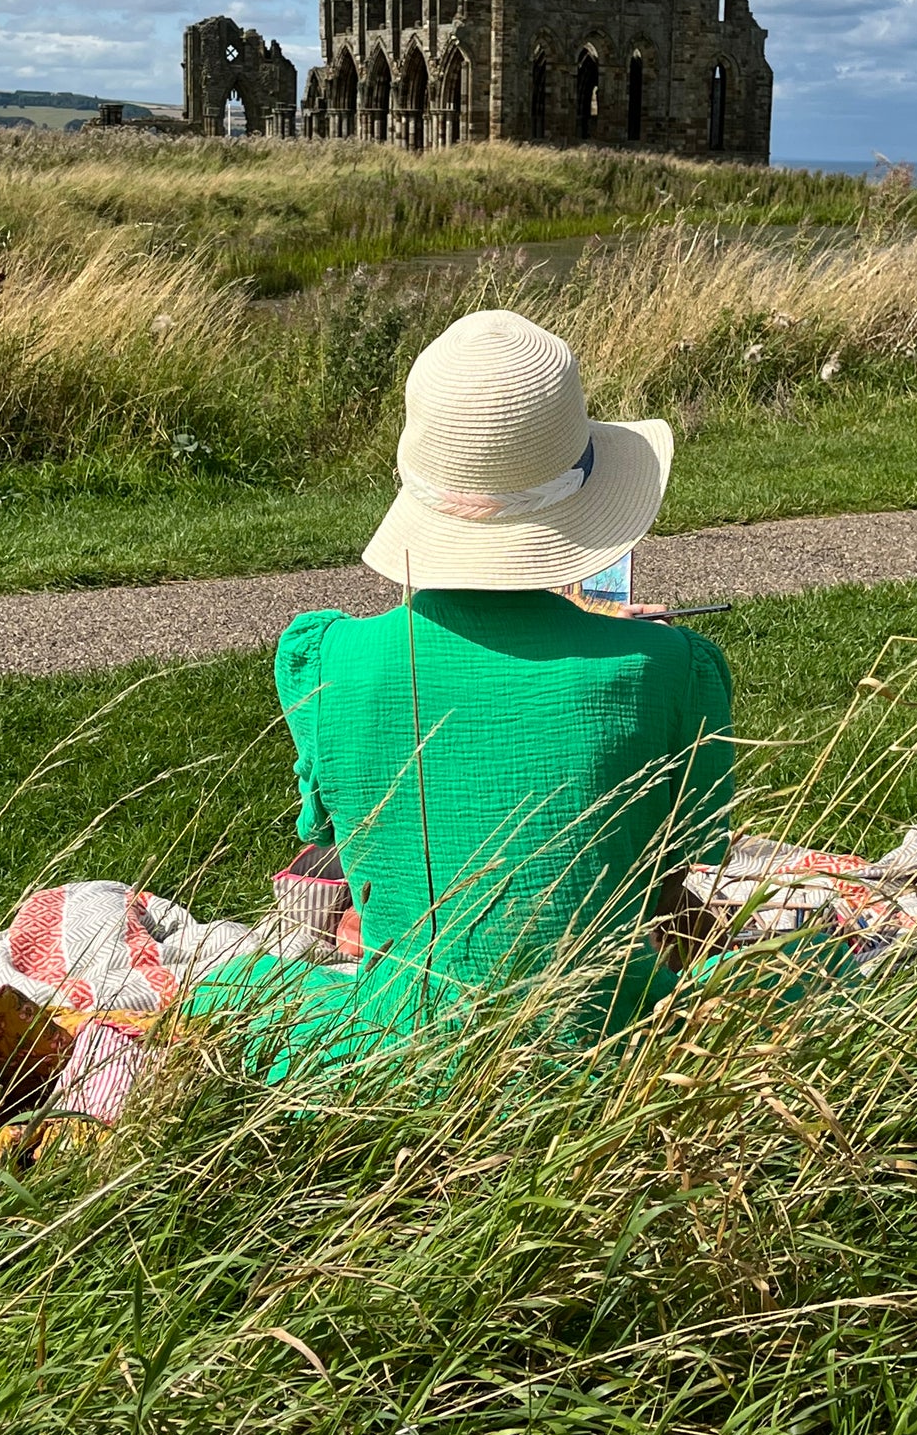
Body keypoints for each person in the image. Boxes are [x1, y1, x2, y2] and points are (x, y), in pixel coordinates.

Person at [192, 309, 734, 1077]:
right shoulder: (668, 667)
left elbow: (327, 839)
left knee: (225, 992)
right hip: (604, 1049)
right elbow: (682, 863)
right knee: (801, 967)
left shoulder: (328, 660)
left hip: (400, 1049)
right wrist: (610, 639)